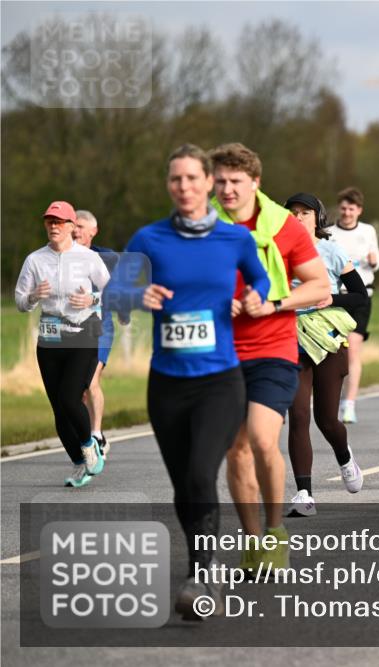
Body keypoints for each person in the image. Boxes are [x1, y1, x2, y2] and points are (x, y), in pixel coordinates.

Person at [112, 144, 270, 617]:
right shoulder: (149, 238)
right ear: (169, 185)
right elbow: (116, 292)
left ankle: (202, 578)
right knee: (184, 484)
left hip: (220, 381)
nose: (184, 187)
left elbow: (260, 280)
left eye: (192, 178)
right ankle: (203, 563)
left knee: (203, 472)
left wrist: (256, 300)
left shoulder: (233, 239)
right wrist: (140, 294)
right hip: (167, 384)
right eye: (175, 179)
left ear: (208, 184)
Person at [210, 142, 330, 571]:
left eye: (235, 181)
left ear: (255, 183)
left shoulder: (284, 226)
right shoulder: (200, 226)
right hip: (220, 351)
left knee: (262, 438)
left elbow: (320, 287)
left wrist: (274, 302)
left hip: (273, 347)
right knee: (235, 448)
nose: (226, 189)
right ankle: (252, 537)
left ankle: (275, 528)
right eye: (219, 181)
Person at [284, 193, 370, 517]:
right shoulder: (276, 253)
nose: (297, 217)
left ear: (317, 217)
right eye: (292, 212)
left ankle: (345, 456)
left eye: (304, 212)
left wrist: (329, 299)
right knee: (298, 415)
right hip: (290, 339)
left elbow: (360, 297)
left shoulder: (331, 251)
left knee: (326, 419)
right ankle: (304, 494)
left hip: (329, 339)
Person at [15, 201, 110, 487]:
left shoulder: (88, 258)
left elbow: (111, 292)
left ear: (71, 226)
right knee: (58, 408)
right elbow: (20, 302)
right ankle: (80, 463)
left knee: (71, 397)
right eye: (49, 221)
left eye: (59, 222)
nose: (54, 226)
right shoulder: (34, 260)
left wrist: (91, 299)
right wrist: (33, 295)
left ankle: (89, 444)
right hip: (50, 338)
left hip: (83, 334)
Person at [72, 209, 126, 457]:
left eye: (81, 226)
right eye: (73, 225)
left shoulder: (107, 258)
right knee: (77, 392)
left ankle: (95, 434)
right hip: (70, 330)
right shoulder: (60, 257)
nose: (75, 230)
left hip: (99, 328)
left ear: (94, 231)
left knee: (90, 380)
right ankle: (89, 438)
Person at [327, 187, 379, 424]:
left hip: (361, 295)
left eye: (352, 209)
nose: (347, 213)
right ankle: (331, 396)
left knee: (353, 351)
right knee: (333, 349)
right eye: (344, 208)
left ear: (359, 210)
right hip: (335, 296)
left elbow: (376, 262)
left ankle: (349, 403)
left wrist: (373, 260)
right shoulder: (329, 232)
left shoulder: (368, 231)